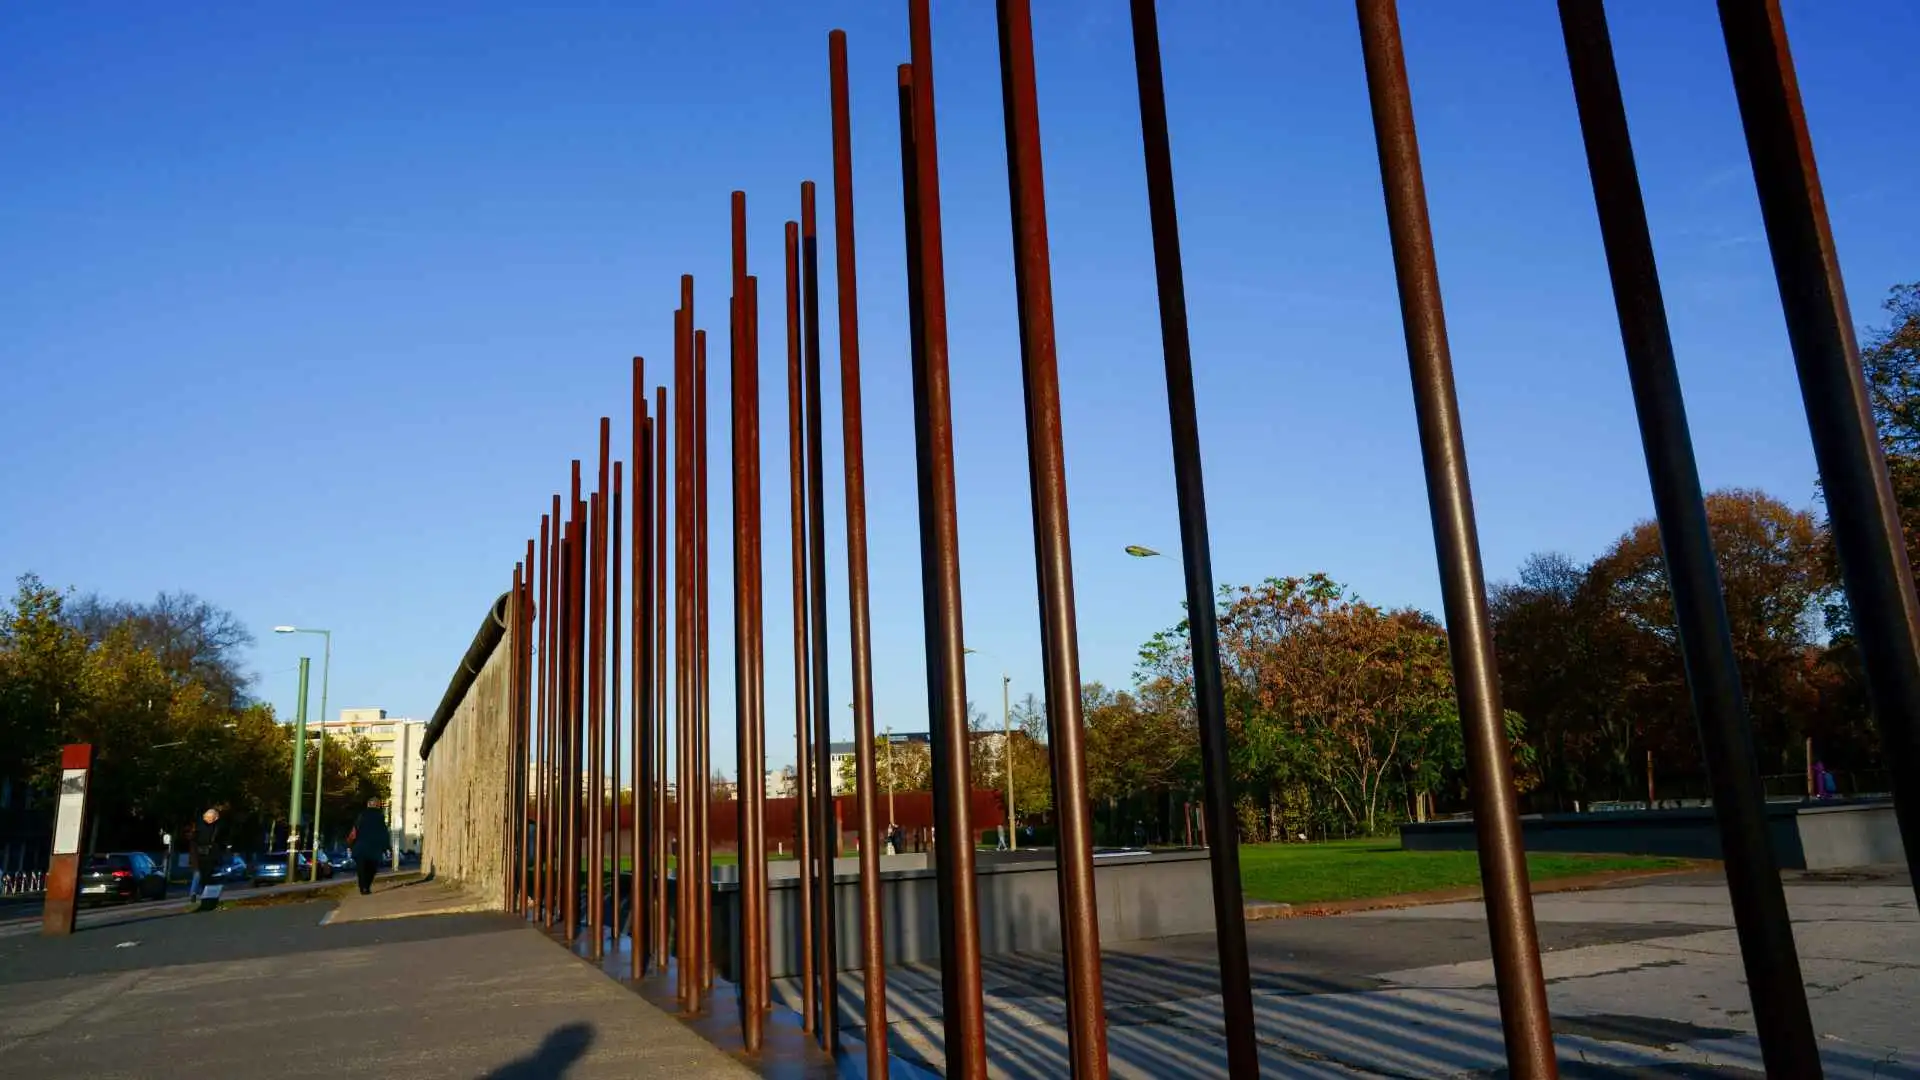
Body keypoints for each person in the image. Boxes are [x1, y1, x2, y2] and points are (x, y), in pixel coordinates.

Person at [347, 797, 391, 896]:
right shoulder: (380, 816)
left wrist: (350, 845)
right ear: (377, 805)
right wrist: (387, 847)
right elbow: (384, 833)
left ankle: (362, 887)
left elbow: (355, 830)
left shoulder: (361, 815)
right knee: (372, 869)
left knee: (361, 869)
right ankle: (366, 886)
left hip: (360, 847)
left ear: (368, 805)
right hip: (374, 848)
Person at [188, 808, 223, 902]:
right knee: (197, 874)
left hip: (208, 855)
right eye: (210, 818)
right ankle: (193, 894)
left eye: (213, 818)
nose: (211, 820)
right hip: (197, 855)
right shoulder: (199, 827)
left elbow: (216, 841)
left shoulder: (215, 827)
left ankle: (204, 894)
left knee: (206, 875)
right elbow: (193, 840)